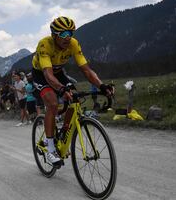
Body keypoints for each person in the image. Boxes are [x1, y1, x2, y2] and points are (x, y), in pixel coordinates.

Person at [32, 16, 114, 165]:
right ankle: (50, 148)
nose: (67, 38)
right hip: (42, 74)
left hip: (58, 73)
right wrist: (61, 89)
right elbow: (48, 75)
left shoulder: (73, 44)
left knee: (74, 97)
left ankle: (64, 132)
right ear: (54, 35)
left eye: (71, 33)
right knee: (52, 103)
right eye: (63, 34)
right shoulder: (45, 44)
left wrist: (102, 86)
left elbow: (87, 70)